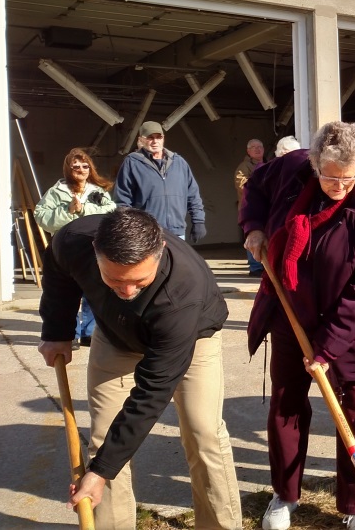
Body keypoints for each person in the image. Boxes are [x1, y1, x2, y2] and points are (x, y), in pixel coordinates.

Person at [37, 208, 240, 529]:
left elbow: (152, 393)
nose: (127, 291)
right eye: (115, 279)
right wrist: (57, 331)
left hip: (191, 338)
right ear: (95, 252)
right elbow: (59, 273)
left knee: (204, 435)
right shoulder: (73, 240)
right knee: (104, 442)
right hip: (116, 334)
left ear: (159, 254)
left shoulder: (182, 292)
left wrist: (101, 470)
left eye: (138, 281)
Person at [241, 122, 355, 530]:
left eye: (348, 177)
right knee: (287, 405)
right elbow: (255, 187)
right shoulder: (291, 171)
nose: (338, 185)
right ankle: (285, 494)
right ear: (314, 164)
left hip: (352, 331)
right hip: (291, 317)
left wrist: (327, 347)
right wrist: (255, 227)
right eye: (329, 176)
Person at [34, 148, 117, 347]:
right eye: (76, 166)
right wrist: (67, 211)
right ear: (68, 169)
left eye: (85, 165)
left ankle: (89, 333)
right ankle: (68, 335)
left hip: (91, 249)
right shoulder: (56, 192)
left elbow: (111, 211)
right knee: (64, 293)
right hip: (64, 250)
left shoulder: (97, 191)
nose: (81, 169)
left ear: (91, 168)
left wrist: (85, 209)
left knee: (92, 291)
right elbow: (41, 216)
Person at [113, 121, 206, 242]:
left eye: (158, 137)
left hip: (177, 232)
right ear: (141, 139)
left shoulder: (179, 162)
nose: (155, 141)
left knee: (176, 262)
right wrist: (128, 228)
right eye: (150, 137)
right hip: (147, 233)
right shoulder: (132, 163)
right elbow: (123, 200)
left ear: (163, 139)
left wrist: (198, 221)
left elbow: (193, 195)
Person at [234, 138, 266, 276]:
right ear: (248, 151)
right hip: (250, 210)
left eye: (260, 147)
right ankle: (255, 268)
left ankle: (263, 265)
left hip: (265, 209)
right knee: (253, 235)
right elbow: (243, 186)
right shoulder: (243, 167)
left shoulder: (267, 164)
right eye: (254, 147)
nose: (258, 149)